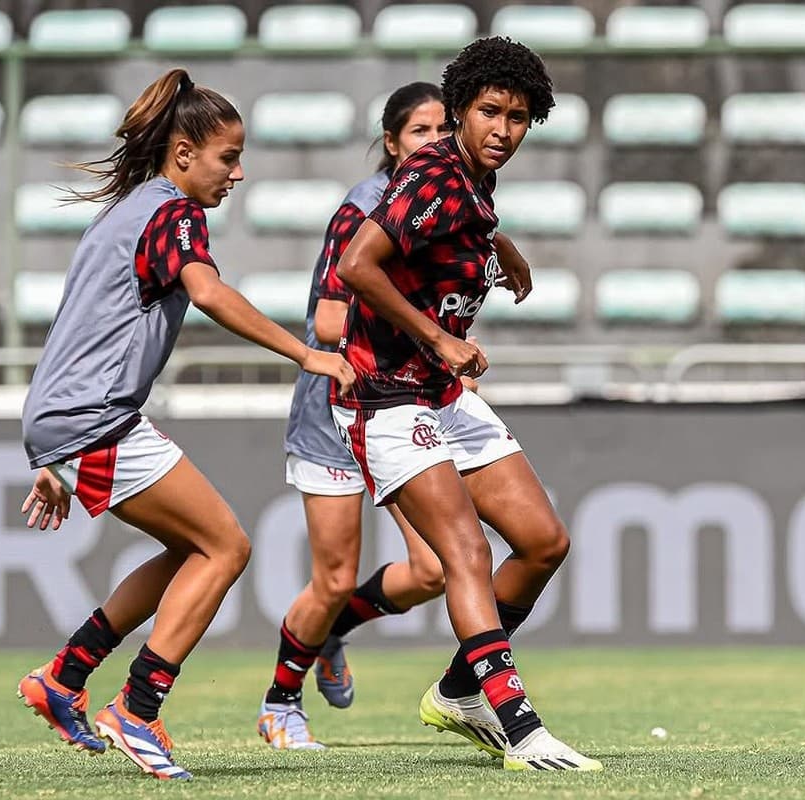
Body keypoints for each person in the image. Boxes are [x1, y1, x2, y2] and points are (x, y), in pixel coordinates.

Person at [16, 68, 355, 781]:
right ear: (183, 154)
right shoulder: (173, 213)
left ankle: (63, 678)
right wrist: (306, 353)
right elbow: (209, 293)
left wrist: (48, 449)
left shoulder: (125, 209)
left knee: (190, 551)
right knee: (226, 547)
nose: (238, 172)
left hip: (71, 416)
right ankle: (137, 709)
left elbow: (79, 328)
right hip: (91, 418)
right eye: (228, 157)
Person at [333, 37, 600, 771]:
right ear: (458, 109)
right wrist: (438, 339)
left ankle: (459, 690)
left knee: (544, 542)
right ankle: (520, 727)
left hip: (441, 394)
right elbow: (359, 264)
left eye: (518, 117)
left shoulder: (472, 182)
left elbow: (451, 220)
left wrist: (498, 242)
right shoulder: (434, 170)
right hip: (390, 393)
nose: (503, 131)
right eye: (490, 112)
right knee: (467, 555)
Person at [259, 82, 477, 750]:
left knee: (435, 571)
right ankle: (280, 704)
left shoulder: (450, 205)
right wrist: (426, 332)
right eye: (421, 131)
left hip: (396, 401)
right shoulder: (366, 206)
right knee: (331, 575)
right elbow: (329, 319)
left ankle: (333, 633)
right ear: (392, 143)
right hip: (336, 410)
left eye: (446, 129)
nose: (436, 142)